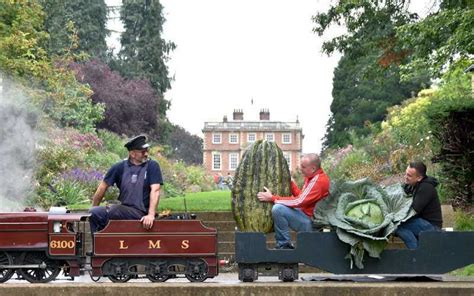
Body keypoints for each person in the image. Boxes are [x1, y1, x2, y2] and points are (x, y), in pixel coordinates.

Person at [89, 135, 163, 232]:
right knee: (94, 212)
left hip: (141, 212)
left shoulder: (152, 166)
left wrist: (150, 215)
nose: (146, 154)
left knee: (114, 209)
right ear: (132, 154)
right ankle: (99, 244)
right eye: (143, 151)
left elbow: (155, 190)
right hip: (124, 210)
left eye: (147, 150)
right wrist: (94, 207)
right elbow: (102, 187)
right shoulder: (119, 167)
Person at [257, 153, 330, 249]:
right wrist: (290, 184)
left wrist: (272, 198)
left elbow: (298, 202)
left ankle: (284, 245)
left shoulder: (318, 181)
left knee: (278, 209)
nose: (300, 169)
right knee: (280, 207)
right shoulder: (313, 177)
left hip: (311, 224)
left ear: (313, 168)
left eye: (303, 167)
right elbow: (303, 197)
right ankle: (284, 244)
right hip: (307, 216)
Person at [396, 161, 442, 249]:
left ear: (419, 178)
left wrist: (395, 217)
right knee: (398, 227)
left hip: (432, 227)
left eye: (409, 175)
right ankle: (417, 251)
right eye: (406, 174)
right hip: (419, 223)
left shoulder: (426, 188)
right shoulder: (410, 186)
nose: (405, 177)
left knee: (398, 225)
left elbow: (413, 211)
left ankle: (416, 253)